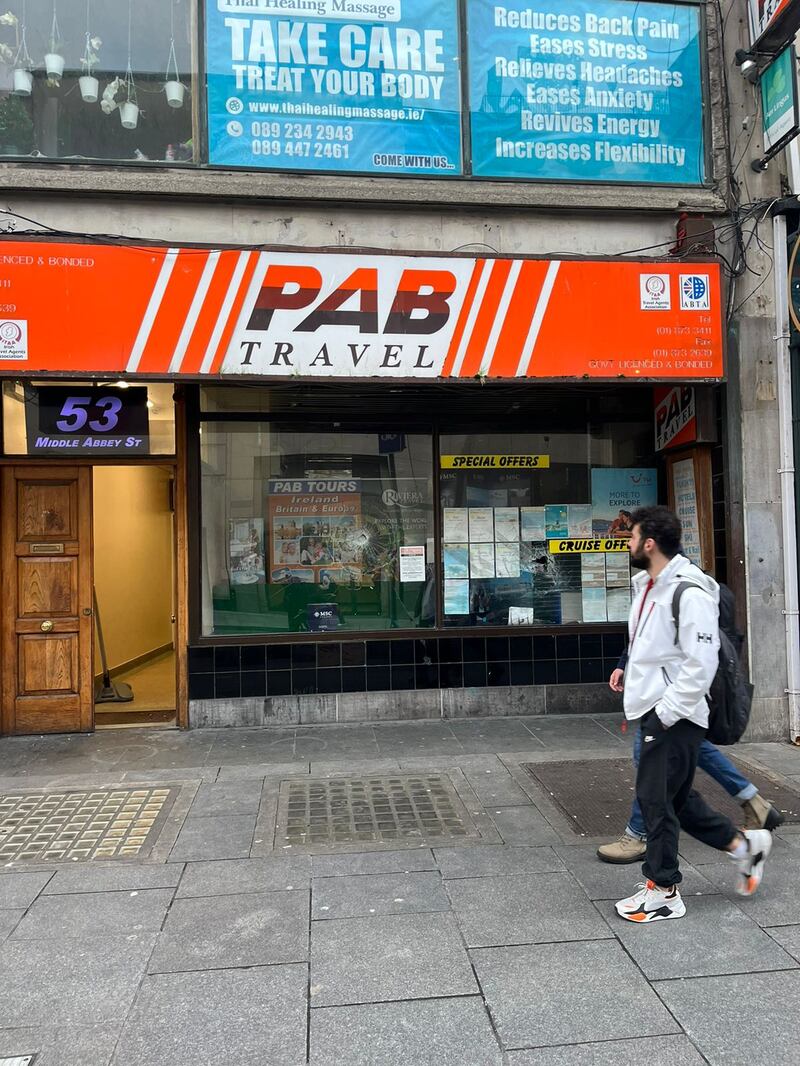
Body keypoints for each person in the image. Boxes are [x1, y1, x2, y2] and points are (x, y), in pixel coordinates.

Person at [613, 506, 772, 923]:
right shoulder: (650, 586)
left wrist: (665, 713)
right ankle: (745, 848)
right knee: (679, 803)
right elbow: (652, 649)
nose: (627, 544)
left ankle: (663, 890)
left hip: (674, 716)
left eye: (631, 538)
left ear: (649, 543)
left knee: (655, 801)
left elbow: (700, 663)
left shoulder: (689, 592)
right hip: (656, 710)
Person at [598, 654, 783, 865]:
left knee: (654, 767)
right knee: (684, 756)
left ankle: (640, 836)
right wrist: (625, 663)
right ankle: (751, 811)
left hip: (670, 693)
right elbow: (644, 635)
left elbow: (689, 644)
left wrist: (668, 711)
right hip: (665, 691)